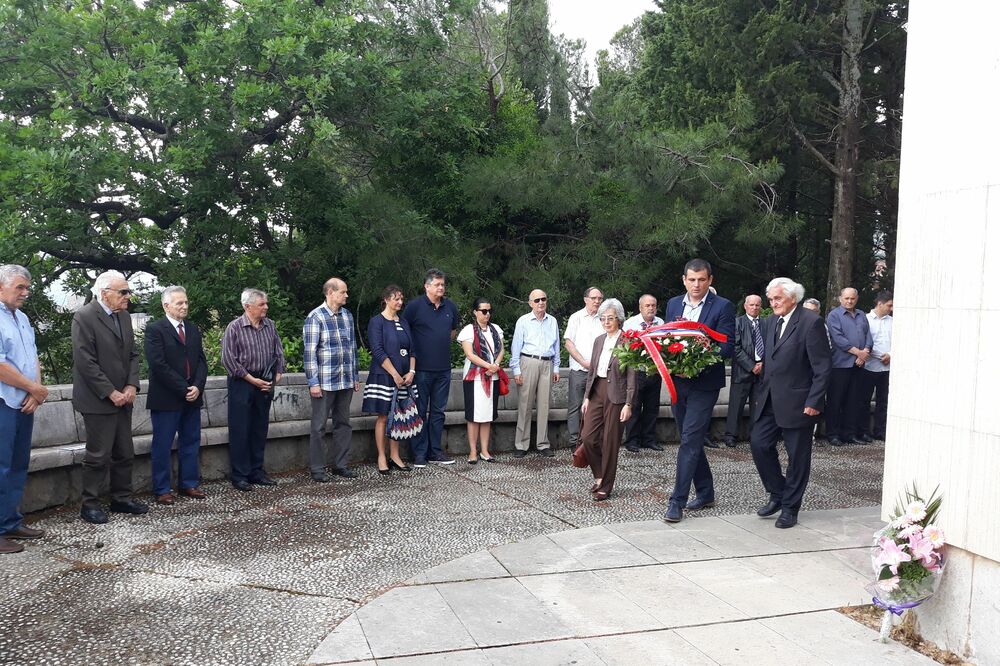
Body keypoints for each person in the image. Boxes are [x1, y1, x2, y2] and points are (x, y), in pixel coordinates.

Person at [750, 278, 832, 528]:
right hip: (770, 399)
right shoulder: (772, 321)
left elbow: (823, 367)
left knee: (797, 457)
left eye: (778, 299)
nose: (773, 303)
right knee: (759, 444)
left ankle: (790, 507)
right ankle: (778, 492)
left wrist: (815, 400)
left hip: (800, 401)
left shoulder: (811, 322)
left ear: (792, 298)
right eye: (771, 299)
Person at [662, 259, 735, 523]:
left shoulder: (723, 306)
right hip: (678, 383)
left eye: (701, 279)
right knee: (688, 438)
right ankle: (706, 492)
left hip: (705, 384)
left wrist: (696, 363)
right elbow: (665, 339)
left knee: (690, 439)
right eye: (692, 280)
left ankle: (676, 502)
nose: (696, 284)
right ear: (684, 280)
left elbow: (726, 346)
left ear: (710, 280)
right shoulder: (672, 304)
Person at [72, 270, 147, 524]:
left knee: (124, 451)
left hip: (123, 398)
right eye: (123, 292)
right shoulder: (84, 317)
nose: (128, 296)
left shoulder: (123, 317)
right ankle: (89, 504)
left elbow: (133, 355)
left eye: (128, 291)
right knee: (98, 455)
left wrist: (131, 386)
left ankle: (122, 498)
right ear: (104, 293)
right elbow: (85, 361)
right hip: (97, 400)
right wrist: (110, 391)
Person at [144, 286, 209, 505]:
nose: (184, 306)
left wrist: (197, 386)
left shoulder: (192, 329)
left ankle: (188, 484)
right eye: (179, 303)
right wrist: (183, 388)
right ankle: (162, 488)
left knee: (191, 441)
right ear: (166, 305)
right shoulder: (155, 330)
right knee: (162, 444)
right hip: (167, 397)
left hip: (192, 396)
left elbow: (201, 361)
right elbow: (158, 365)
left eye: (186, 302)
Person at [0, 265, 48, 552]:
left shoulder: (23, 318)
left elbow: (33, 357)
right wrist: (32, 388)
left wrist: (37, 392)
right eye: (20, 287)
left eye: (26, 287)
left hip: (24, 403)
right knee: (0, 466)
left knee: (18, 465)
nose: (25, 292)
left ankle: (10, 521)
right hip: (3, 402)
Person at [221, 288, 285, 491]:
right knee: (240, 429)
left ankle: (257, 471)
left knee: (259, 428)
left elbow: (279, 351)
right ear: (247, 306)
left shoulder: (270, 325)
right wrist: (252, 380)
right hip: (242, 382)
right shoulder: (235, 328)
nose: (266, 307)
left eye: (266, 303)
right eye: (261, 304)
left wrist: (277, 374)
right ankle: (240, 475)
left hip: (265, 382)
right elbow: (229, 360)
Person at [304, 278, 361, 483]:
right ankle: (318, 469)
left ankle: (340, 465)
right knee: (319, 426)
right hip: (325, 382)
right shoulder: (315, 317)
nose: (346, 295)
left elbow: (352, 349)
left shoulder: (347, 316)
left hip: (345, 380)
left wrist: (354, 376)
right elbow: (309, 353)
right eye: (343, 292)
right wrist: (313, 383)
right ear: (330, 292)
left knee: (343, 424)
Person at [402, 269, 459, 467]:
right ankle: (419, 453)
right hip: (421, 370)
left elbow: (453, 331)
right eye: (437, 284)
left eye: (443, 284)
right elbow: (404, 333)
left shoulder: (450, 306)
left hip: (443, 369)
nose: (441, 288)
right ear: (427, 286)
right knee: (419, 411)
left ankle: (435, 451)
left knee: (438, 412)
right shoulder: (414, 307)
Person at [580, 299, 636, 501]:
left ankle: (606, 485)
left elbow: (632, 374)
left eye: (610, 318)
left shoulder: (627, 341)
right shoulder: (599, 340)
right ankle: (598, 474)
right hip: (597, 391)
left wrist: (629, 403)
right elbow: (592, 371)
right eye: (603, 318)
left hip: (617, 394)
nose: (606, 322)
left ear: (619, 319)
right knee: (588, 437)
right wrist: (586, 397)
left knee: (610, 441)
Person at [362, 284, 416, 474]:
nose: (400, 302)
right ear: (386, 299)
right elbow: (377, 350)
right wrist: (393, 374)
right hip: (384, 376)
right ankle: (382, 457)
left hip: (404, 377)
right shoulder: (376, 322)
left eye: (402, 298)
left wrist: (411, 372)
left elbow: (412, 350)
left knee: (399, 416)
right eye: (396, 298)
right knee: (384, 416)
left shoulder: (404, 322)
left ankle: (395, 455)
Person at [509, 289, 560, 458]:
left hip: (547, 362)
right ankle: (521, 444)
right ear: (530, 303)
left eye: (543, 299)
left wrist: (556, 367)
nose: (540, 302)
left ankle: (542, 444)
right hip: (528, 362)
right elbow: (515, 346)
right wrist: (516, 369)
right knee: (525, 404)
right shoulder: (523, 321)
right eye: (536, 300)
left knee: (544, 405)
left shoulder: (552, 321)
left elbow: (557, 346)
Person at [457, 298, 505, 463]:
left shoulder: (495, 329)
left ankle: (484, 450)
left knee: (487, 414)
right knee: (473, 415)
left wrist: (496, 364)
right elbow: (469, 354)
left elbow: (501, 349)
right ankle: (472, 451)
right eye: (483, 311)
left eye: (489, 311)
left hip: (492, 376)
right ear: (475, 312)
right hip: (475, 377)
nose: (487, 314)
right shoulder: (468, 330)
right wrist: (488, 366)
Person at [825, 287, 873, 446]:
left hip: (858, 365)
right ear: (840, 298)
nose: (849, 301)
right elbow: (838, 339)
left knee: (854, 401)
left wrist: (865, 352)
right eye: (846, 298)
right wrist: (858, 353)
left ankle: (849, 433)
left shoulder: (861, 315)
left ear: (856, 298)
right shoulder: (834, 316)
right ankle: (833, 434)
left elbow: (868, 336)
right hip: (840, 365)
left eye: (852, 298)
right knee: (836, 401)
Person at [563, 287, 604, 452]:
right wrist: (583, 361)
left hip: (599, 372)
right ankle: (574, 442)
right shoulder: (576, 317)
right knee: (575, 406)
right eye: (594, 298)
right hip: (580, 370)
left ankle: (592, 441)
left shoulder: (604, 317)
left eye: (600, 298)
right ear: (585, 299)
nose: (597, 301)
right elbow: (568, 343)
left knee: (596, 407)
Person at [622, 294, 664, 452]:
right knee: (634, 407)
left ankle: (649, 439)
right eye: (648, 305)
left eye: (653, 305)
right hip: (637, 372)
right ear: (640, 307)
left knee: (652, 408)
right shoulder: (630, 323)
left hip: (655, 372)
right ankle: (632, 441)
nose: (651, 308)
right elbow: (624, 347)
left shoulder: (661, 323)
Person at [723, 294, 764, 447]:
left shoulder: (766, 324)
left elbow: (772, 346)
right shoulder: (737, 323)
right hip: (742, 372)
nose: (754, 307)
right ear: (745, 306)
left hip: (761, 373)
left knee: (758, 406)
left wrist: (763, 364)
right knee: (736, 406)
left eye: (757, 305)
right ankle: (730, 436)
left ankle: (756, 437)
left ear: (761, 307)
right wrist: (752, 366)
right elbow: (735, 348)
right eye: (751, 305)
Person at [861, 290, 893, 441]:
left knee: (883, 401)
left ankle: (880, 431)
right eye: (889, 305)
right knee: (864, 400)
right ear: (880, 303)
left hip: (887, 367)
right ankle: (864, 431)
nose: (891, 308)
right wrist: (876, 355)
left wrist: (890, 354)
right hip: (869, 365)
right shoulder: (865, 319)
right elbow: (862, 341)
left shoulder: (893, 321)